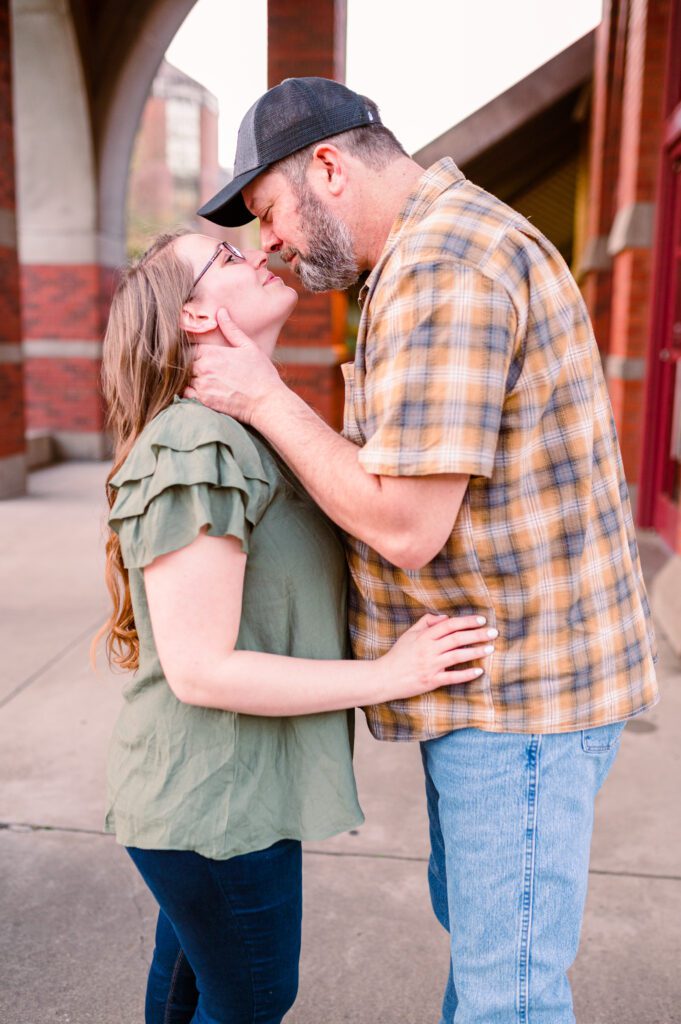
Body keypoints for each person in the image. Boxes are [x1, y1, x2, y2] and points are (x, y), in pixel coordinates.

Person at [189, 77, 660, 1023]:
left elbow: (406, 529)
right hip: (505, 690)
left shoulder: (444, 269)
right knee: (495, 962)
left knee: (508, 1000)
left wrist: (259, 395)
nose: (270, 241)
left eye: (270, 212)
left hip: (519, 703)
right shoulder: (433, 250)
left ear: (326, 167)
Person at [96, 229, 493, 1024]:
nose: (259, 253)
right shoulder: (195, 441)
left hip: (230, 791)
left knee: (194, 986)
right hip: (211, 801)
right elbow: (201, 669)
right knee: (250, 996)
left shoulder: (247, 424)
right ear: (196, 317)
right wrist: (391, 675)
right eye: (228, 258)